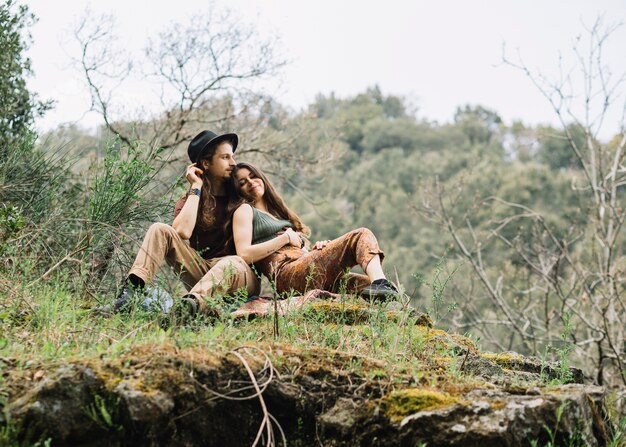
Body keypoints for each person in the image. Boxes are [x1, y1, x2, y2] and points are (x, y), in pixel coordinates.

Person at [99, 131, 260, 317]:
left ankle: (190, 304)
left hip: (241, 273)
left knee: (232, 262)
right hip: (205, 272)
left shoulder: (241, 195)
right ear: (206, 164)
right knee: (160, 229)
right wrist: (196, 186)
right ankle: (130, 295)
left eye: (232, 156)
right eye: (225, 157)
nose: (233, 163)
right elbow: (182, 232)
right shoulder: (191, 199)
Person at [227, 162, 398, 300]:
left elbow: (299, 252)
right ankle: (380, 283)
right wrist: (285, 238)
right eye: (242, 182)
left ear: (261, 177)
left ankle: (382, 294)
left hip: (304, 267)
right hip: (287, 275)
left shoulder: (279, 214)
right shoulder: (245, 211)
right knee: (361, 234)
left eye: (252, 176)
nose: (250, 182)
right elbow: (244, 254)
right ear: (237, 190)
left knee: (369, 286)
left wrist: (316, 250)